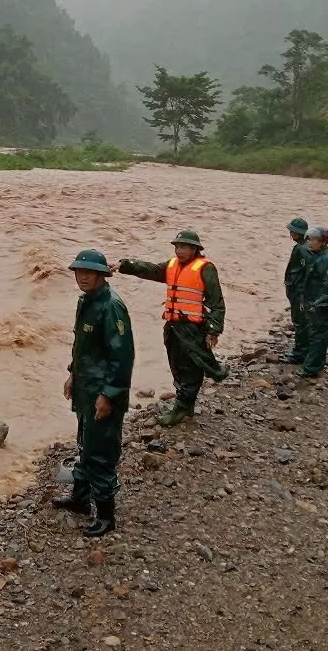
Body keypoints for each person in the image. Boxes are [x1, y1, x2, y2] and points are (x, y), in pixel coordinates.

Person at [56, 249, 134, 537]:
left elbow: (122, 356)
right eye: (79, 272)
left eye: (89, 272)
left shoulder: (112, 306)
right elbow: (82, 346)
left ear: (102, 275)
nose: (83, 277)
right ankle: (79, 497)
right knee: (84, 442)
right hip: (85, 387)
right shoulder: (85, 302)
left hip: (103, 392)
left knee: (101, 450)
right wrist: (72, 374)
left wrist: (109, 395)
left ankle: (105, 513)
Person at [114, 230, 227, 427]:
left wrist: (213, 330)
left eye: (183, 247)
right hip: (173, 326)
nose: (179, 250)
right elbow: (151, 269)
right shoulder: (172, 265)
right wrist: (125, 265)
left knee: (190, 368)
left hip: (193, 328)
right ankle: (184, 405)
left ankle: (182, 408)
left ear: (194, 249)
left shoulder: (205, 268)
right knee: (176, 364)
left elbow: (216, 302)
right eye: (176, 246)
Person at [294, 225, 328, 379]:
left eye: (314, 239)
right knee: (315, 334)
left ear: (323, 242)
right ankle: (313, 363)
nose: (309, 242)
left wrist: (317, 304)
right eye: (309, 238)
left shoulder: (327, 261)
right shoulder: (316, 256)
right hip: (313, 303)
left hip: (323, 308)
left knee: (318, 338)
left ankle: (311, 369)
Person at [283, 217, 311, 355]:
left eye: (292, 231)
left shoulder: (301, 249)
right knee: (301, 320)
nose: (290, 234)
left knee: (299, 321)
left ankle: (299, 352)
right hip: (299, 290)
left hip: (299, 291)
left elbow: (302, 272)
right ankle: (303, 349)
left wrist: (293, 286)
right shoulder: (304, 247)